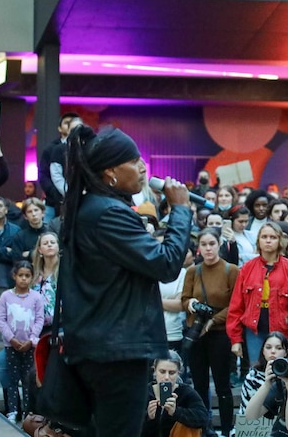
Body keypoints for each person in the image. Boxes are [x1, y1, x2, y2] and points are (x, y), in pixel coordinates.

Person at [59, 125, 193, 436]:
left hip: (103, 345)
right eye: (134, 161)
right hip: (116, 351)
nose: (143, 168)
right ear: (110, 172)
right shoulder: (108, 213)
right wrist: (181, 210)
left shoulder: (93, 207)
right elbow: (166, 263)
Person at [182, 227, 238, 436]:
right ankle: (202, 428)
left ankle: (225, 429)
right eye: (204, 245)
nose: (208, 249)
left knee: (222, 385)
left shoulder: (230, 270)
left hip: (220, 333)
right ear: (198, 248)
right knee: (199, 384)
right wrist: (192, 304)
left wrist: (213, 320)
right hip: (196, 332)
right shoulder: (192, 271)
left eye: (212, 244)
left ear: (219, 244)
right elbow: (184, 299)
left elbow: (235, 304)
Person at [227, 221, 288, 363]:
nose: (268, 241)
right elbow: (236, 306)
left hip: (283, 332)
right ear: (258, 241)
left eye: (273, 237)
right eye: (264, 237)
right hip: (254, 332)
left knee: (283, 373)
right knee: (256, 372)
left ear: (280, 241)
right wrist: (235, 339)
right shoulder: (247, 268)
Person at [0, 259, 44, 422]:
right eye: (21, 275)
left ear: (32, 278)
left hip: (30, 346)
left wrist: (31, 340)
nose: (24, 279)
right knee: (12, 378)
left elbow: (39, 319)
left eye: (27, 276)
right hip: (12, 346)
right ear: (14, 276)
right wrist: (12, 339)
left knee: (27, 379)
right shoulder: (5, 296)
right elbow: (1, 320)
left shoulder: (36, 298)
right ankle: (12, 410)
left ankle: (28, 411)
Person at [142, 351, 213, 437]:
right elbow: (129, 423)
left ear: (178, 373)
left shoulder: (186, 392)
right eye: (162, 372)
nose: (166, 377)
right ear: (154, 371)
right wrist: (148, 417)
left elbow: (203, 419)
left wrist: (176, 412)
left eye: (171, 373)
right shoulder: (144, 392)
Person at [239, 331, 288, 415]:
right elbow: (246, 413)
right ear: (263, 351)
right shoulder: (253, 377)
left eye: (279, 348)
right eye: (268, 347)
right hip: (256, 424)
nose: (273, 351)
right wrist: (267, 384)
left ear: (286, 352)